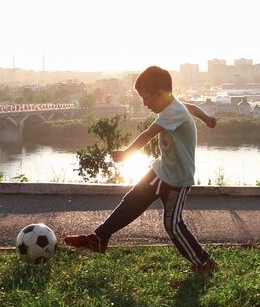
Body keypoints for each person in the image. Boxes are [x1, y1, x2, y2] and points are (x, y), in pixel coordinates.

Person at [64, 65, 219, 273]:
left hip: (177, 180)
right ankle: (99, 238)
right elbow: (190, 106)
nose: (145, 104)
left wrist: (126, 153)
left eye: (147, 99)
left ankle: (205, 264)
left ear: (160, 93)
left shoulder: (172, 113)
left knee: (173, 225)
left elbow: (148, 134)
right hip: (161, 171)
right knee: (132, 201)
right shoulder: (174, 105)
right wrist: (206, 118)